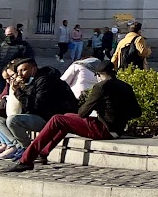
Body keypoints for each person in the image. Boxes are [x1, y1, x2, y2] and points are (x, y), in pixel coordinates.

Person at [11, 60, 141, 170]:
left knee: (57, 119)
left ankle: (26, 160)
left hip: (104, 129)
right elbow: (137, 112)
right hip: (117, 129)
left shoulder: (101, 86)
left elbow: (82, 113)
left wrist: (98, 105)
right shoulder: (126, 86)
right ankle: (43, 153)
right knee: (66, 116)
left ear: (98, 75)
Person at [0, 55, 79, 156]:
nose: (20, 75)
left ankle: (27, 150)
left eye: (23, 70)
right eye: (18, 72)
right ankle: (22, 149)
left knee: (13, 121)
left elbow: (35, 105)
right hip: (42, 115)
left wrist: (18, 91)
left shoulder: (45, 81)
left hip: (51, 119)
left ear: (33, 69)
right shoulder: (32, 81)